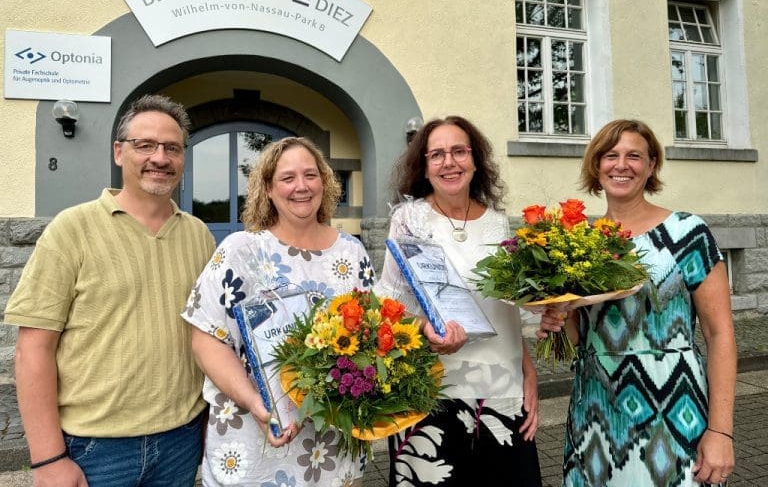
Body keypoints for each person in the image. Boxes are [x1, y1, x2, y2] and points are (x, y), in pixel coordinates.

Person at [5, 95, 216, 486]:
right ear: (119, 152)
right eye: (145, 145)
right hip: (95, 450)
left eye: (172, 148)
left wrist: (205, 424)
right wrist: (48, 459)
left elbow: (207, 337)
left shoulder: (199, 236)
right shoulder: (72, 229)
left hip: (181, 441)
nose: (160, 157)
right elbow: (33, 349)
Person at [540, 119, 736, 486]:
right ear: (596, 165)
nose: (621, 165)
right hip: (595, 411)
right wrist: (556, 320)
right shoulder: (581, 243)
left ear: (651, 166)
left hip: (673, 406)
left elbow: (720, 334)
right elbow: (579, 340)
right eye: (610, 155)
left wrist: (720, 431)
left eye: (634, 156)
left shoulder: (687, 232)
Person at [183, 136, 376, 486]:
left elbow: (372, 335)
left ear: (324, 182)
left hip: (333, 449)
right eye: (287, 178)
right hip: (256, 442)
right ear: (268, 189)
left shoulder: (351, 252)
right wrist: (254, 402)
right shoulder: (241, 251)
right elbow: (206, 339)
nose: (301, 186)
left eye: (310, 175)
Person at [376, 116, 542, 486]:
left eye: (459, 151)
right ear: (424, 167)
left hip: (501, 392)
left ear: (475, 160)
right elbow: (388, 306)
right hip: (429, 393)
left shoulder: (498, 223)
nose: (449, 162)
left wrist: (528, 369)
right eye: (437, 154)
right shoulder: (409, 219)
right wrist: (425, 328)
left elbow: (505, 309)